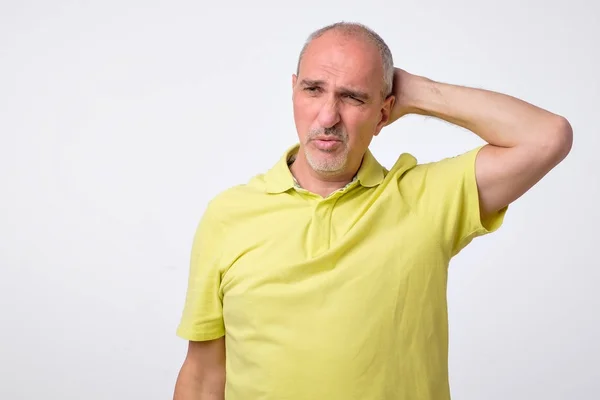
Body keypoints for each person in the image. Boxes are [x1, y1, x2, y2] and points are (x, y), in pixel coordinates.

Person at [172, 22, 572, 400]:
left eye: (353, 97)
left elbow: (547, 136)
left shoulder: (425, 198)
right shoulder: (228, 215)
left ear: (385, 112)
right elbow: (204, 376)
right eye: (313, 89)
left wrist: (417, 92)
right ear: (293, 91)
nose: (328, 117)